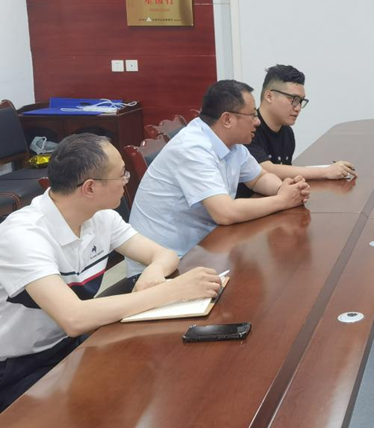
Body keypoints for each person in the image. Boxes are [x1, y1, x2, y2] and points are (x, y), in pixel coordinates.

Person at [0, 134, 221, 411]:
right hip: (16, 367)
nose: (126, 180)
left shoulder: (101, 217)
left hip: (67, 345)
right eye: (121, 174)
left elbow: (163, 255)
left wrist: (152, 273)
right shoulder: (23, 235)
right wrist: (170, 291)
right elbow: (74, 317)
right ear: (90, 187)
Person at [127, 80, 310, 276]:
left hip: (204, 248)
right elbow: (225, 212)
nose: (257, 121)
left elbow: (258, 178)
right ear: (227, 119)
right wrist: (282, 200)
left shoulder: (232, 143)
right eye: (252, 115)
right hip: (164, 269)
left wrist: (284, 188)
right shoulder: (193, 148)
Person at [235, 65, 355, 198]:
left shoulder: (287, 132)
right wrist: (325, 171)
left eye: (301, 101)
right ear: (269, 96)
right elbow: (266, 170)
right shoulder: (248, 130)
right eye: (293, 99)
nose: (298, 108)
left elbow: (285, 177)